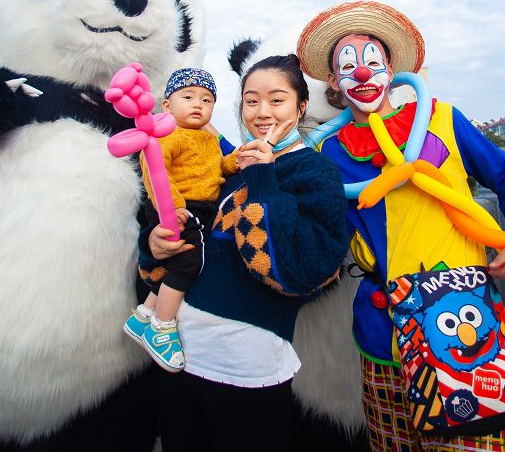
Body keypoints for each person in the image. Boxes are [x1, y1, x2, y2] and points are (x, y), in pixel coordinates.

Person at [296, 1, 505, 452]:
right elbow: (325, 235)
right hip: (382, 334)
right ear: (335, 84)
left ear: (390, 68)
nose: (362, 74)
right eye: (348, 66)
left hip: (466, 324)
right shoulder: (326, 154)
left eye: (372, 61)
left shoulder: (442, 119)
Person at [140, 54, 349, 452]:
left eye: (277, 100)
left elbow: (298, 270)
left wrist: (262, 175)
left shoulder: (315, 173)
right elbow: (192, 241)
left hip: (243, 368)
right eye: (251, 101)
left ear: (301, 107)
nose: (262, 112)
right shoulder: (230, 169)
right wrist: (154, 243)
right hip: (177, 354)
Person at [124, 67, 239, 372]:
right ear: (167, 106)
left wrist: (235, 161)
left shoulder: (207, 139)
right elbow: (153, 168)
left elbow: (219, 168)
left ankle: (144, 315)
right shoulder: (168, 134)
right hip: (177, 206)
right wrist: (170, 207)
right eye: (187, 97)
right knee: (189, 263)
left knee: (176, 263)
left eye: (206, 99)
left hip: (198, 206)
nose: (198, 104)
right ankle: (162, 326)